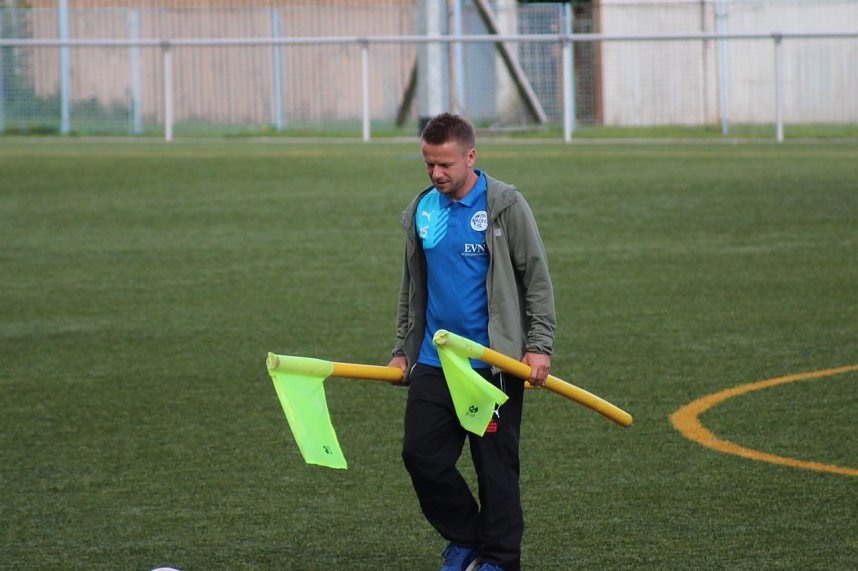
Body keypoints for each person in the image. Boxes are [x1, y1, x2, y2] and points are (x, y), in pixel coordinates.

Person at [388, 113, 556, 571]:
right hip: (436, 362)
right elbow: (411, 286)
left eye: (445, 164)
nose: (436, 174)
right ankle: (464, 538)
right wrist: (403, 348)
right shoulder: (423, 210)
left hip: (493, 365)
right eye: (429, 164)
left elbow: (535, 277)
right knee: (420, 457)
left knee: (495, 471)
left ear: (471, 156)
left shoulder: (504, 204)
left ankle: (500, 560)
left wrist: (539, 344)